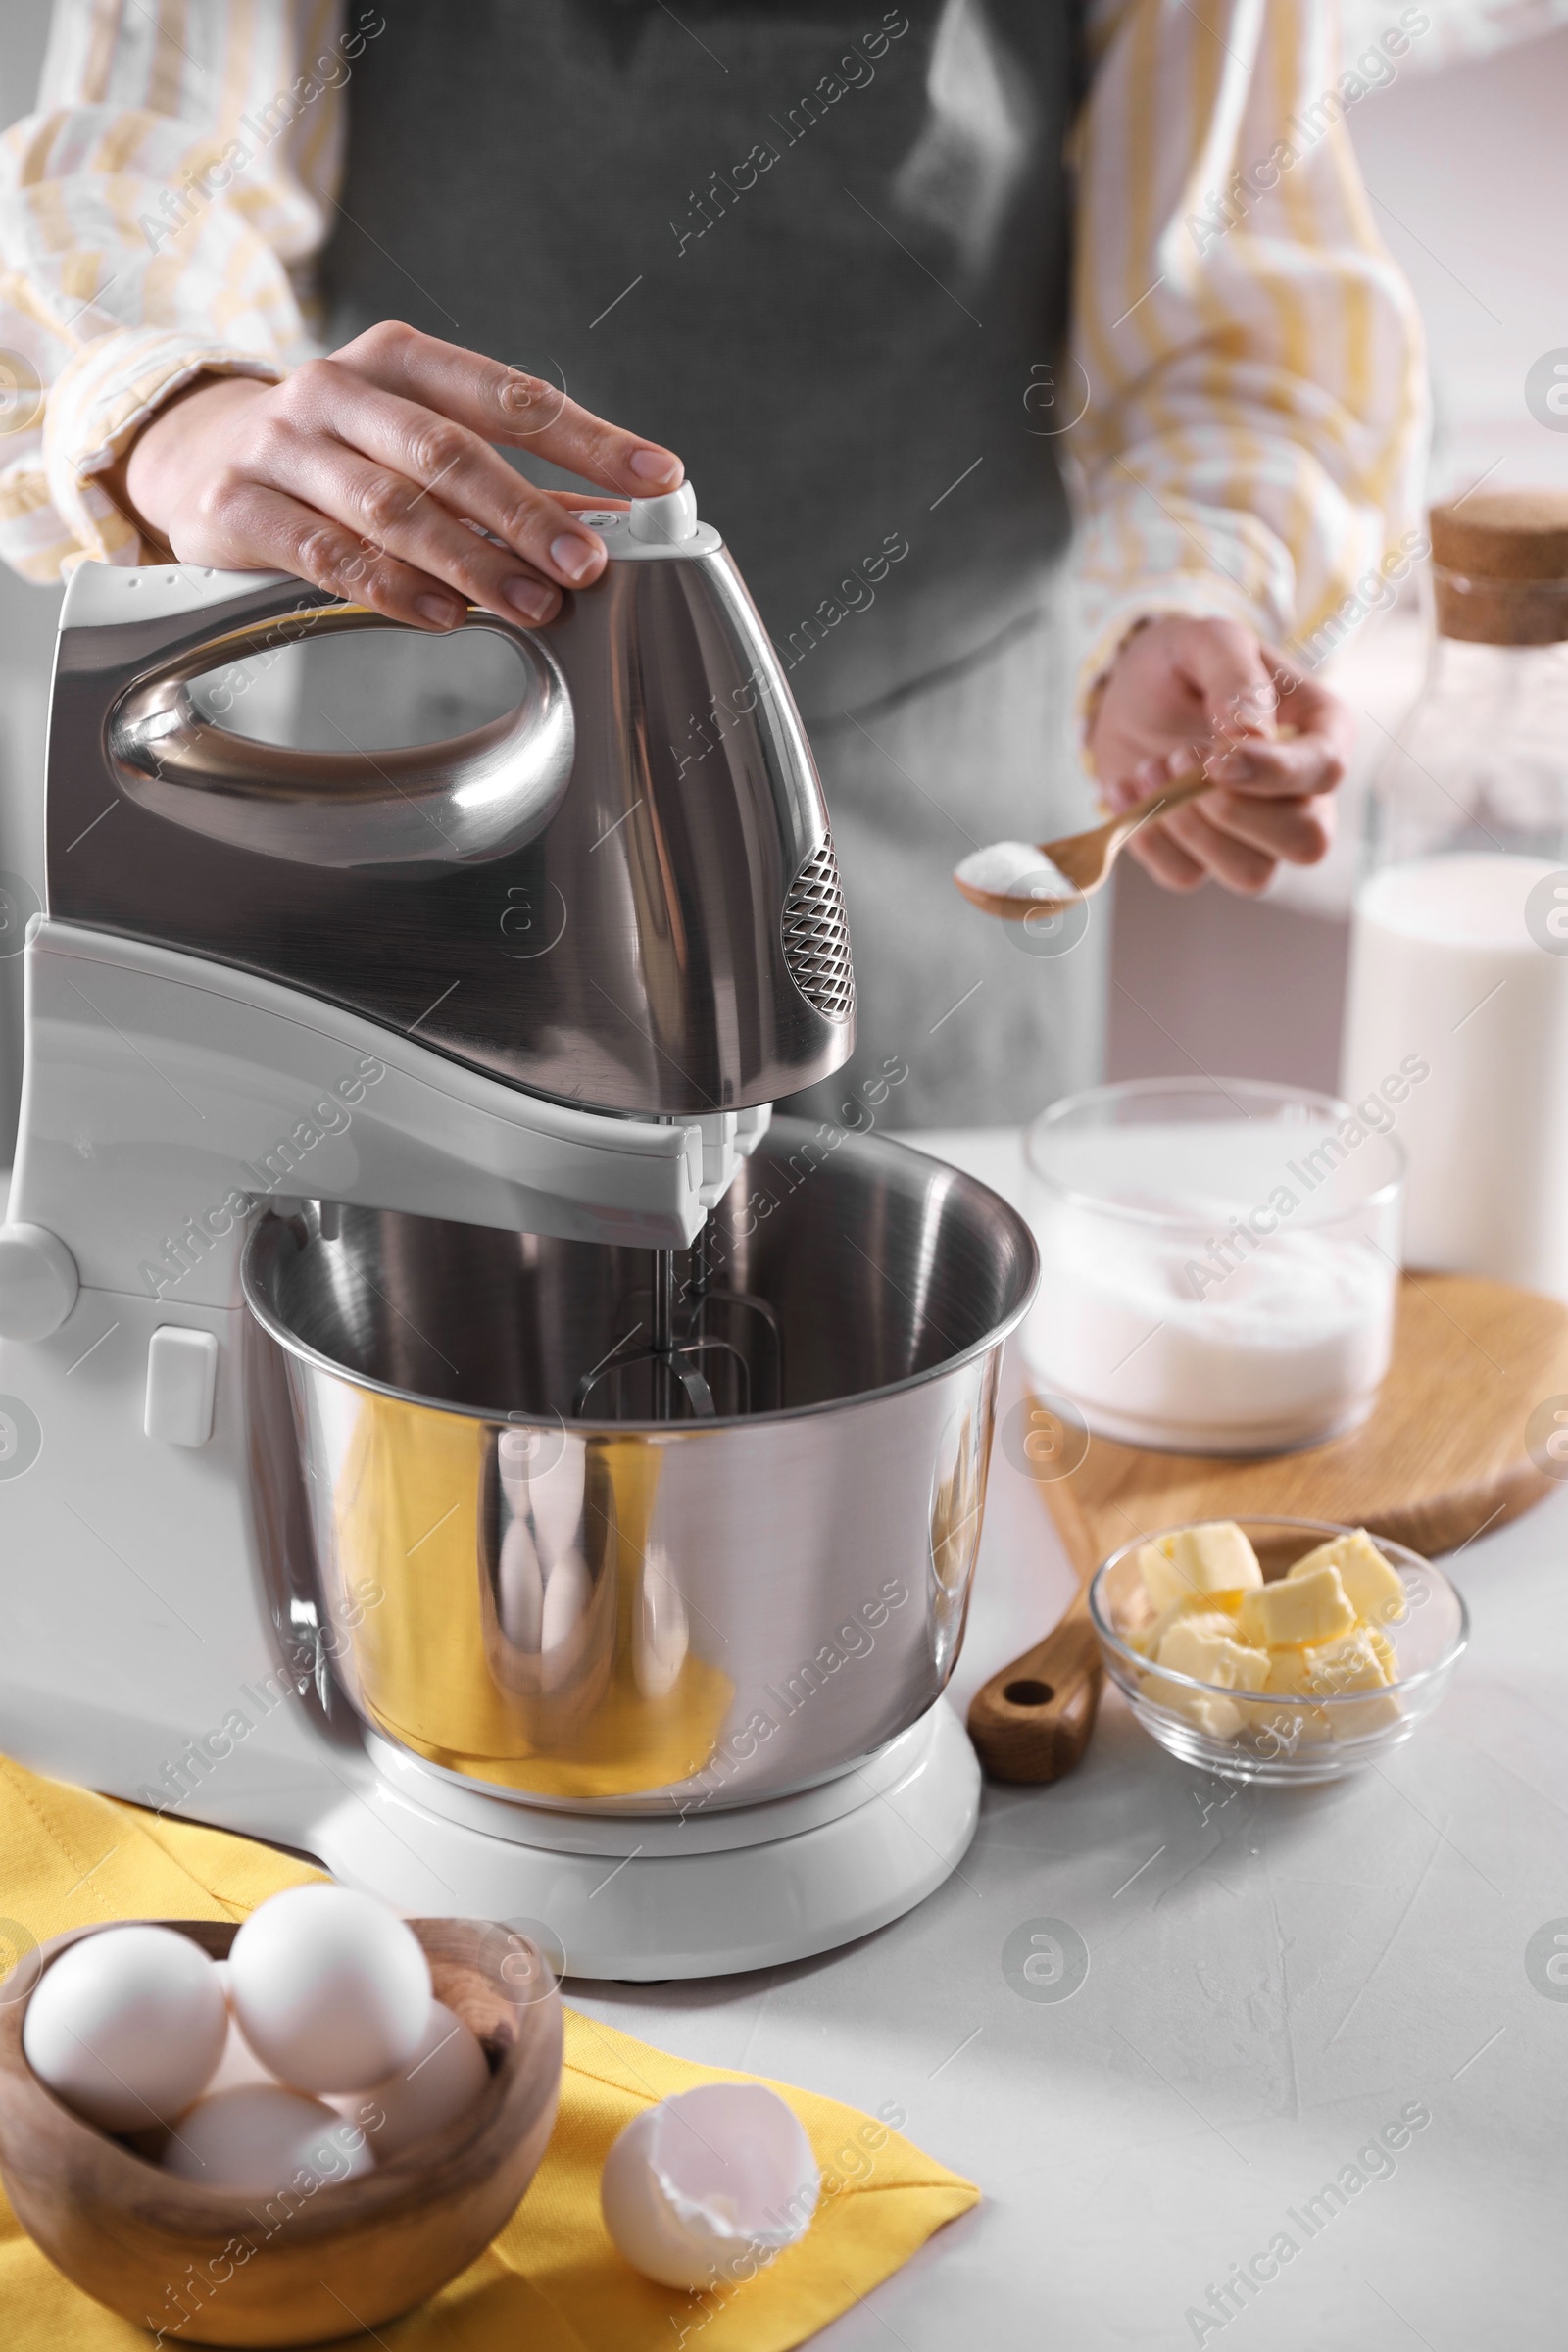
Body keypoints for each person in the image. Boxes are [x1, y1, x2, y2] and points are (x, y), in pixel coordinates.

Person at [0, 0, 1423, 1124]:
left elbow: (1237, 298)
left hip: (937, 833)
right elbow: (150, 167)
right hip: (430, 795)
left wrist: (1196, 591)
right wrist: (179, 410)